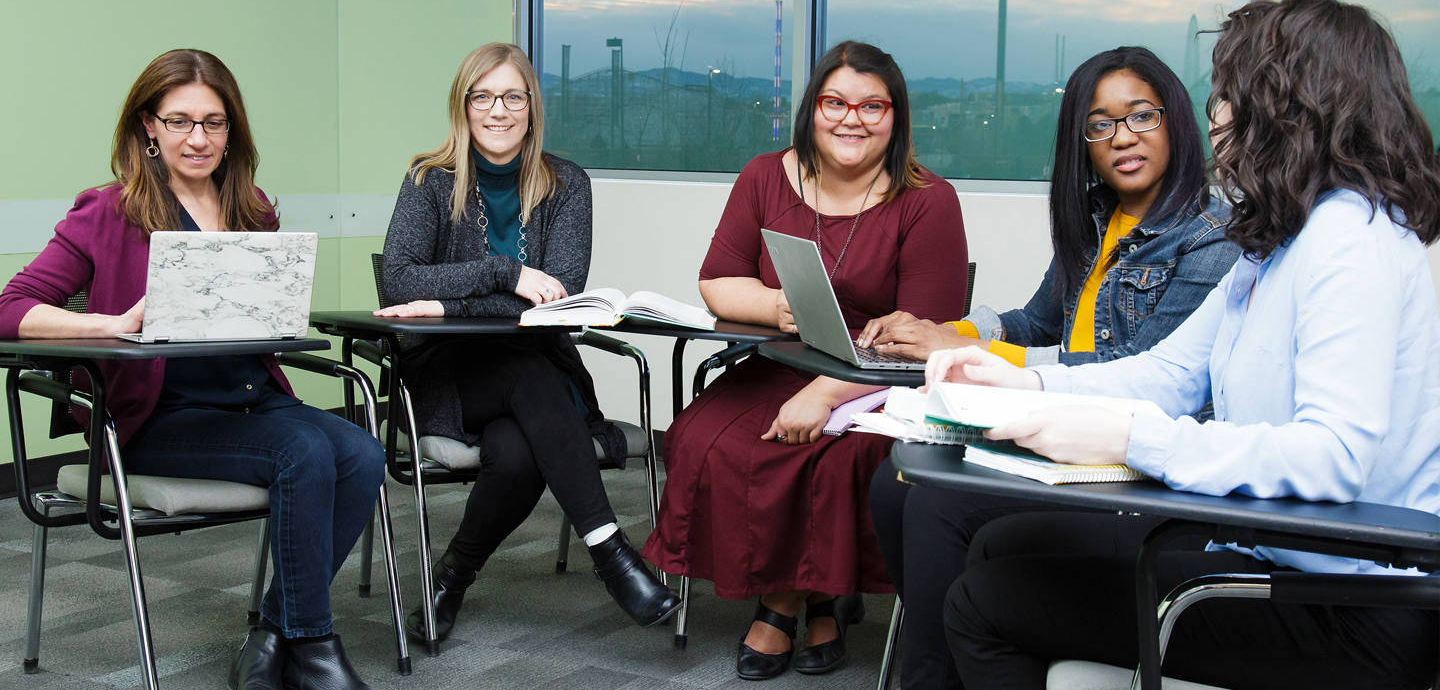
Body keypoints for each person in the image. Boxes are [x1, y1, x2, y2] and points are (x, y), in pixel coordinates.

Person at [927, 0, 1440, 690]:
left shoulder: (1353, 240)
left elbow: (1334, 456)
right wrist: (1025, 383)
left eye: (1228, 97)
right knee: (998, 544)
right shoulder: (1278, 243)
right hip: (1260, 552)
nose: (1216, 118)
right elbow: (1170, 371)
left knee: (982, 604)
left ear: (1290, 109)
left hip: (1346, 607)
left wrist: (1129, 440)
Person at [0, 49, 385, 690]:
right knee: (303, 454)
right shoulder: (106, 211)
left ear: (233, 130)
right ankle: (314, 646)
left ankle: (272, 631)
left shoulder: (254, 209)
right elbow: (10, 308)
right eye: (180, 121)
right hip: (156, 418)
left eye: (213, 122)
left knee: (363, 453)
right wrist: (115, 324)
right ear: (149, 126)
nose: (198, 138)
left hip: (251, 401)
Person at [861, 47, 1241, 689]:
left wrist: (980, 361)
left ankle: (928, 678)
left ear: (1175, 120)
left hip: (1134, 466)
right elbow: (1034, 320)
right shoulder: (1097, 223)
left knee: (939, 506)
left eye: (1141, 116)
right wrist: (946, 333)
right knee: (892, 485)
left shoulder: (1215, 237)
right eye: (1100, 124)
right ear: (1081, 142)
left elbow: (1131, 368)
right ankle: (953, 664)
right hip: (1064, 438)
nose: (1123, 138)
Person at [641, 40, 970, 680]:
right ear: (812, 110)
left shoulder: (929, 199)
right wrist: (774, 308)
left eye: (873, 106)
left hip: (878, 380)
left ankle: (779, 606)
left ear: (896, 117)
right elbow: (717, 280)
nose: (853, 119)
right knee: (703, 437)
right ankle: (820, 599)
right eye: (835, 102)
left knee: (832, 453)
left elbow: (916, 337)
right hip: (777, 359)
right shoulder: (766, 174)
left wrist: (825, 393)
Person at [376, 42, 679, 645]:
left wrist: (449, 301)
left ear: (532, 107)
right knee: (531, 380)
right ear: (462, 106)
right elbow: (399, 279)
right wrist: (503, 273)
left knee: (516, 452)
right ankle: (613, 554)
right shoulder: (428, 181)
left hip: (537, 363)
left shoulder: (567, 183)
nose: (498, 110)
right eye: (482, 96)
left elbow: (561, 298)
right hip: (449, 372)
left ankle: (450, 580)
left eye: (513, 96)